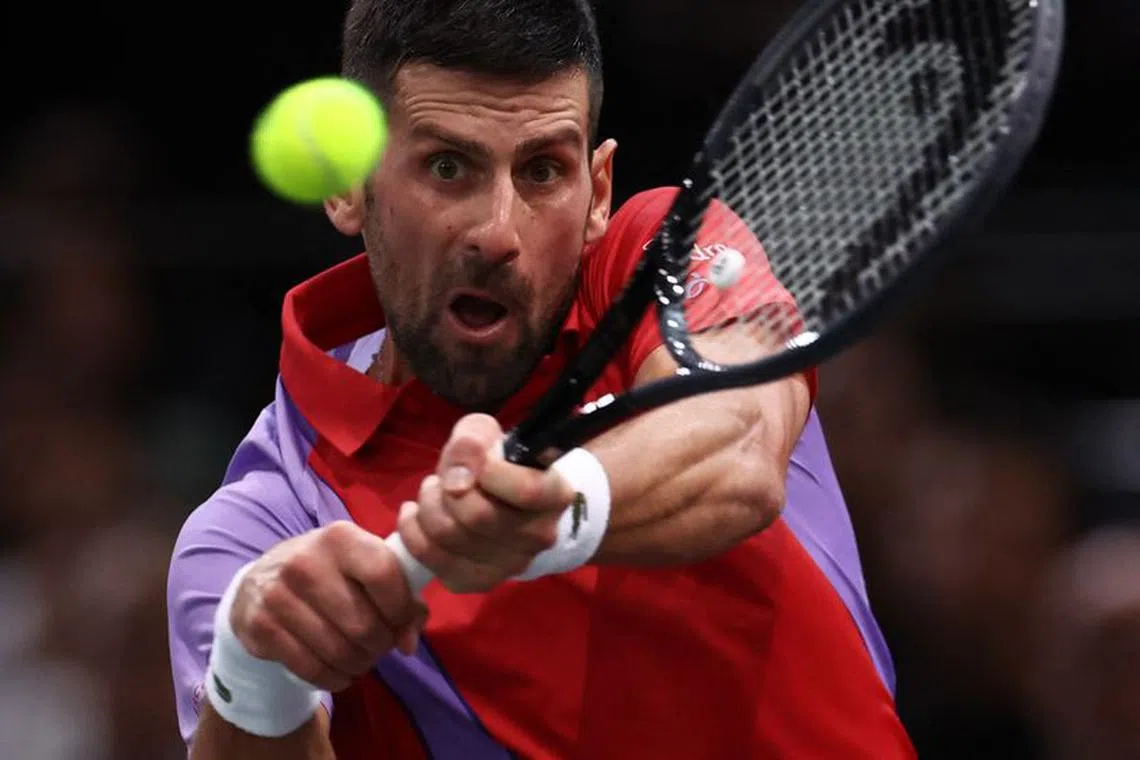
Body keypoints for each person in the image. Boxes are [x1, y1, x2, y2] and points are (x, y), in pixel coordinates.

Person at [166, 1, 915, 757]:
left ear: (598, 189)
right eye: (448, 166)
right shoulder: (266, 525)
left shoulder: (667, 251)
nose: (497, 232)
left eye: (543, 170)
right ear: (351, 186)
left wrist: (548, 515)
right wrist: (255, 673)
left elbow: (740, 444)